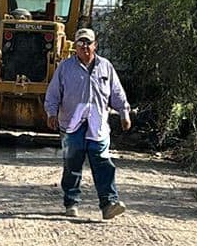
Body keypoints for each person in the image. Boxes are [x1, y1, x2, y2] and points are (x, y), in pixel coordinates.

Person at [44, 28, 132, 220]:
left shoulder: (106, 67)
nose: (84, 46)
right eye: (80, 43)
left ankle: (109, 203)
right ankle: (71, 202)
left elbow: (116, 93)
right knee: (72, 163)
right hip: (71, 125)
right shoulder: (65, 68)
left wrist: (124, 113)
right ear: (75, 46)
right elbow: (52, 94)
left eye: (88, 43)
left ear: (95, 45)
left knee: (102, 163)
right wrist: (51, 113)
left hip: (97, 126)